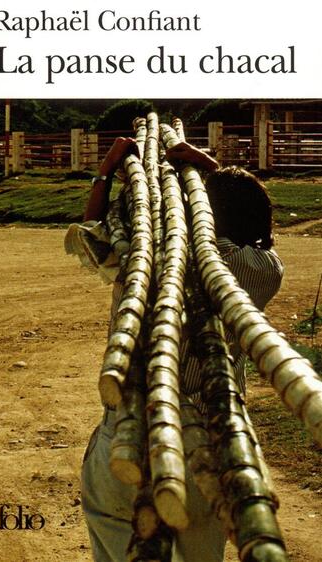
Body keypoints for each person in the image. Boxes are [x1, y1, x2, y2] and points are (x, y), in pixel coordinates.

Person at [77, 137, 284, 562]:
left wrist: (108, 168)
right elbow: (247, 213)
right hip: (212, 441)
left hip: (127, 437)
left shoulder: (144, 253)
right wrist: (206, 165)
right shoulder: (264, 270)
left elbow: (91, 230)